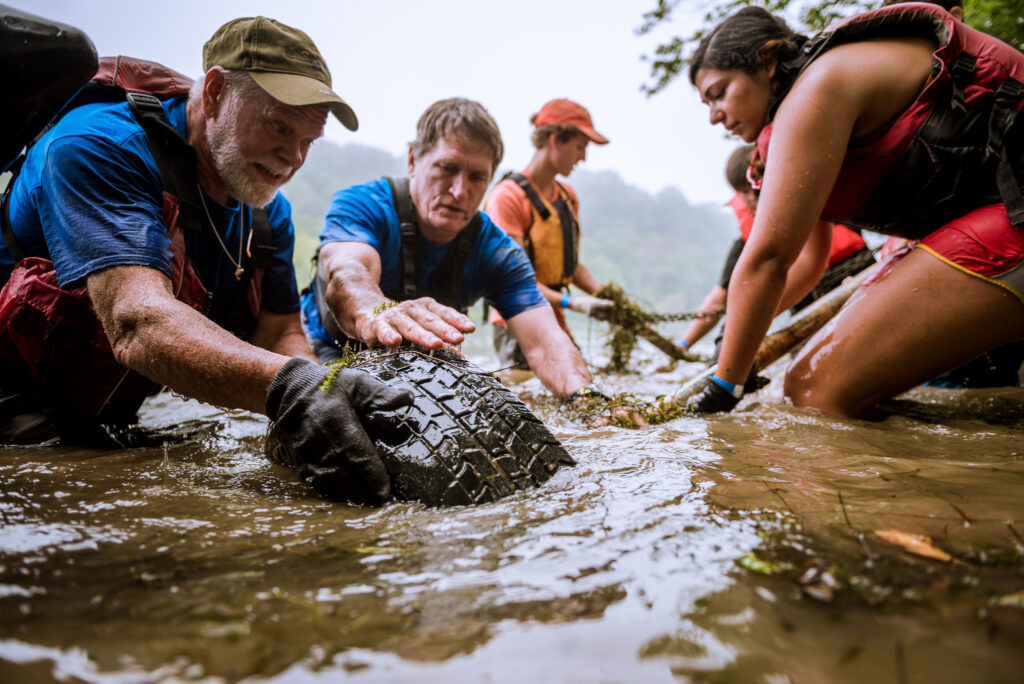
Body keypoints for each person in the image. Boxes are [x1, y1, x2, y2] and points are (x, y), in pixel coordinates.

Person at [0, 17, 412, 505]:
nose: (292, 158)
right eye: (279, 127)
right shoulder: (99, 147)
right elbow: (137, 321)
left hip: (112, 416)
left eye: (307, 142)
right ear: (215, 92)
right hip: (15, 411)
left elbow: (279, 332)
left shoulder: (268, 214)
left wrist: (324, 392)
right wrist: (288, 388)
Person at [686, 3, 1024, 417]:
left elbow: (770, 259)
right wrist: (733, 338)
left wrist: (724, 386)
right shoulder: (801, 120)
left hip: (1014, 209)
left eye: (719, 93)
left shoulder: (819, 88)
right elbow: (808, 260)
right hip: (994, 217)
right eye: (705, 104)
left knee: (813, 388)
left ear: (768, 61)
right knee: (815, 382)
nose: (713, 116)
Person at [302, 97, 596, 400]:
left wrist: (588, 400)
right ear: (413, 160)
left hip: (424, 365)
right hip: (327, 353)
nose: (459, 191)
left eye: (477, 177)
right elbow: (347, 274)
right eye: (447, 168)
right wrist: (375, 314)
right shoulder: (362, 206)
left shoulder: (498, 252)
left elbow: (545, 341)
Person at [679, 144, 875, 356]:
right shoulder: (749, 242)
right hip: (812, 319)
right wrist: (683, 345)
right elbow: (719, 299)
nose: (751, 198)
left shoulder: (826, 205)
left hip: (864, 292)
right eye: (744, 192)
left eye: (753, 188)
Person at [483, 99, 614, 370]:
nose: (583, 157)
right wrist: (574, 302)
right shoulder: (508, 197)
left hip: (555, 315)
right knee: (529, 397)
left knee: (581, 384)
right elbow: (514, 280)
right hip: (517, 318)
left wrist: (607, 297)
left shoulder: (568, 198)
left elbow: (571, 267)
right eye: (580, 147)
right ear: (555, 140)